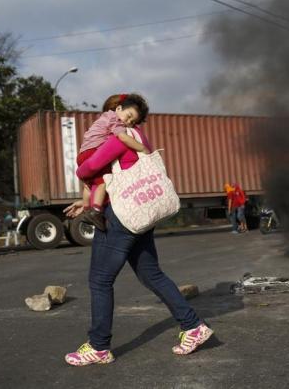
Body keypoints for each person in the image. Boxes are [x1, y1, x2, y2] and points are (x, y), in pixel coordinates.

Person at [63, 94, 213, 366]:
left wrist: (82, 172)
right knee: (152, 274)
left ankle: (98, 346)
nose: (112, 119)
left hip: (120, 217)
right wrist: (84, 199)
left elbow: (91, 166)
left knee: (100, 281)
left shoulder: (118, 136)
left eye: (114, 114)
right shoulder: (140, 136)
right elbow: (113, 176)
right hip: (139, 213)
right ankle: (193, 327)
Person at [77, 93, 150, 231]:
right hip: (92, 152)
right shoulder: (116, 121)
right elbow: (122, 138)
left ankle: (87, 210)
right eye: (128, 117)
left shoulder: (105, 118)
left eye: (132, 121)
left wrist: (81, 172)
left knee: (90, 184)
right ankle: (95, 212)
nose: (128, 123)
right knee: (104, 180)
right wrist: (142, 148)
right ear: (118, 109)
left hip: (83, 152)